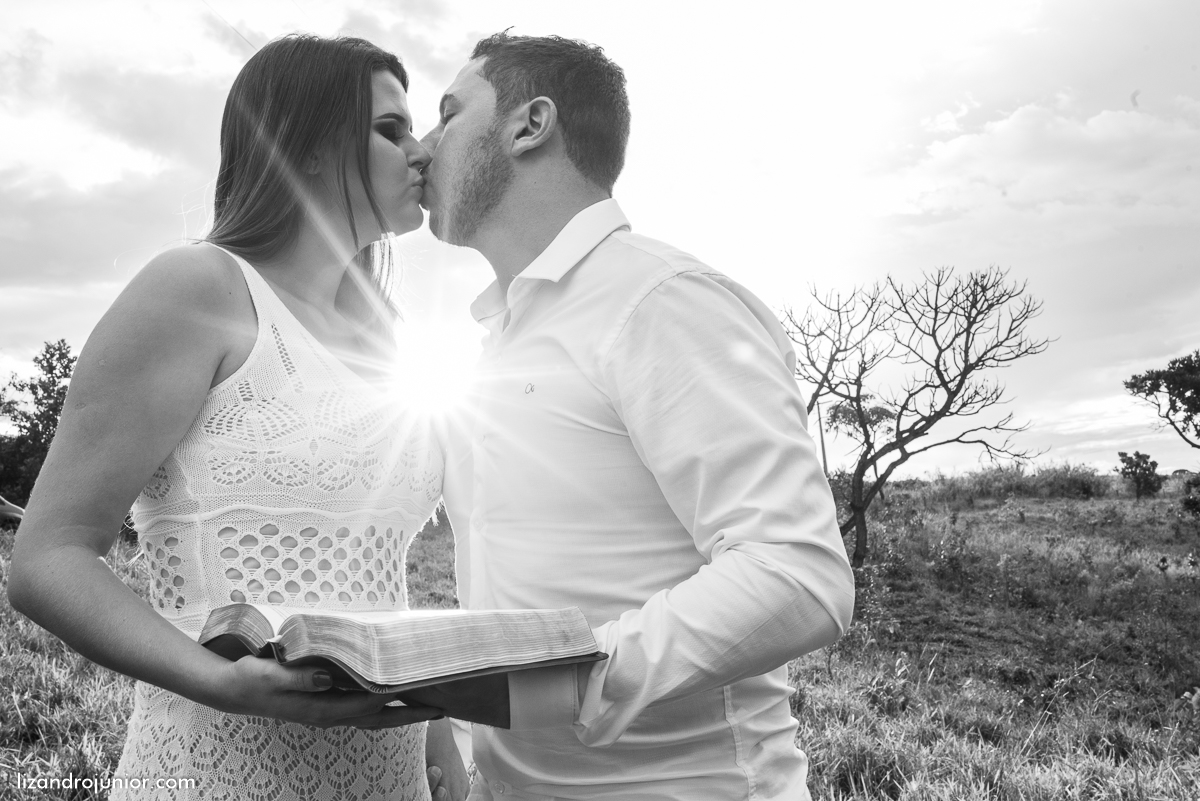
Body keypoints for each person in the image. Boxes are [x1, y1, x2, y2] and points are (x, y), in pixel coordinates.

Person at [7, 34, 468, 801]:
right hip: (218, 773)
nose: (420, 151)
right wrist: (223, 684)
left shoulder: (390, 338)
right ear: (309, 147)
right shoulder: (195, 288)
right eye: (391, 129)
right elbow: (46, 559)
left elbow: (375, 573)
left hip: (390, 781)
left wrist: (437, 731)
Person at [402, 32, 857, 801]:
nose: (420, 148)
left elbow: (798, 574)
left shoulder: (660, 301)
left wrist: (566, 679)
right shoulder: (502, 336)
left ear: (528, 124)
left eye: (447, 115)